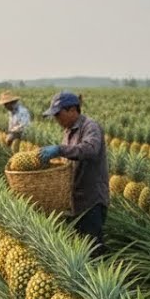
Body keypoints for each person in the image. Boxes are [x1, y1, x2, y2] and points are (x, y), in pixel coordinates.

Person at [36, 91, 109, 257]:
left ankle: (100, 278)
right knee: (80, 247)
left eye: (58, 115)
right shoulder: (68, 130)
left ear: (72, 110)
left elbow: (90, 149)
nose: (57, 120)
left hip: (92, 199)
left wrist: (59, 149)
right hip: (75, 198)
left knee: (93, 248)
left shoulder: (90, 127)